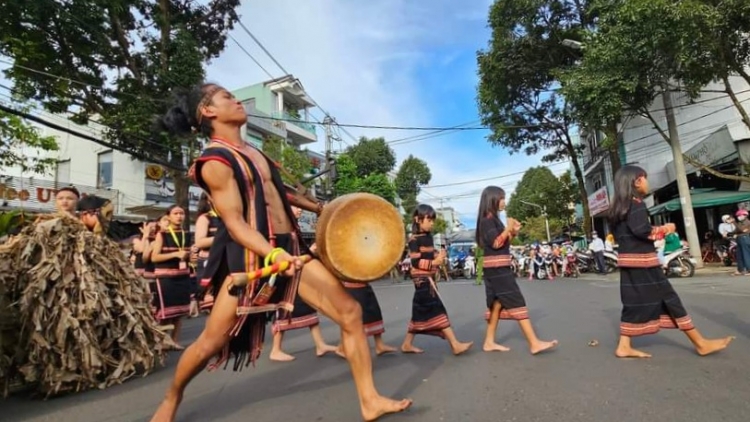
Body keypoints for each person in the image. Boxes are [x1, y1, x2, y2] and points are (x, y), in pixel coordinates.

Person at [149, 83, 411, 422]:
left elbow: (280, 192)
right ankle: (171, 399)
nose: (237, 101)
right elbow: (235, 222)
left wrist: (322, 208)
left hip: (288, 248)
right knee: (210, 343)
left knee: (350, 312)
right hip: (250, 257)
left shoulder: (254, 152)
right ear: (208, 112)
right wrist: (271, 255)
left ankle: (370, 400)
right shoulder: (214, 161)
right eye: (227, 97)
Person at [608, 165, 734, 358]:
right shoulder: (637, 204)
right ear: (637, 181)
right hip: (645, 263)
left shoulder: (617, 208)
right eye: (646, 178)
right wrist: (666, 228)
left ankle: (624, 345)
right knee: (670, 300)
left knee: (634, 302)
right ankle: (701, 343)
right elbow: (643, 231)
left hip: (629, 262)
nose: (648, 182)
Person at [476, 186, 558, 354]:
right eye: (502, 198)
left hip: (498, 266)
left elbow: (503, 242)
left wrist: (513, 232)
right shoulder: (487, 220)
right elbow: (496, 243)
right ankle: (534, 343)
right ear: (492, 199)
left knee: (496, 304)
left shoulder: (494, 219)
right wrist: (508, 228)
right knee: (516, 301)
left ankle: (489, 342)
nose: (504, 202)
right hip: (498, 268)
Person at [400, 204, 473, 355]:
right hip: (422, 280)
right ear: (417, 219)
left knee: (419, 312)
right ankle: (455, 344)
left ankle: (407, 344)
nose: (432, 223)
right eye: (429, 219)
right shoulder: (414, 240)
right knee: (438, 310)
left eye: (433, 220)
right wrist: (434, 262)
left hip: (428, 278)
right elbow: (415, 261)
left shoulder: (428, 238)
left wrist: (438, 256)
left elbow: (430, 254)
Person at [269, 205, 337, 362]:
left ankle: (320, 344)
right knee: (284, 309)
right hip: (286, 275)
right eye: (296, 207)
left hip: (299, 273)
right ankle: (275, 349)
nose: (300, 210)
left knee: (309, 307)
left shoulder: (294, 225)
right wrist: (308, 251)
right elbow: (284, 253)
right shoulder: (281, 226)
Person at [150, 205, 192, 347]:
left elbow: (189, 255)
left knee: (179, 313)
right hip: (166, 278)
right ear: (168, 216)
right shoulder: (162, 235)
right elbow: (154, 257)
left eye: (182, 213)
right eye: (176, 213)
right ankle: (160, 341)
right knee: (164, 314)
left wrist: (192, 258)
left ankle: (174, 341)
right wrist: (175, 254)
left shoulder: (187, 234)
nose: (179, 216)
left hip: (183, 276)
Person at [193, 193, 221, 311]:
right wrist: (224, 237)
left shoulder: (226, 216)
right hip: (210, 263)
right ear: (208, 200)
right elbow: (200, 242)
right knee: (214, 308)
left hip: (226, 261)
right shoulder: (205, 218)